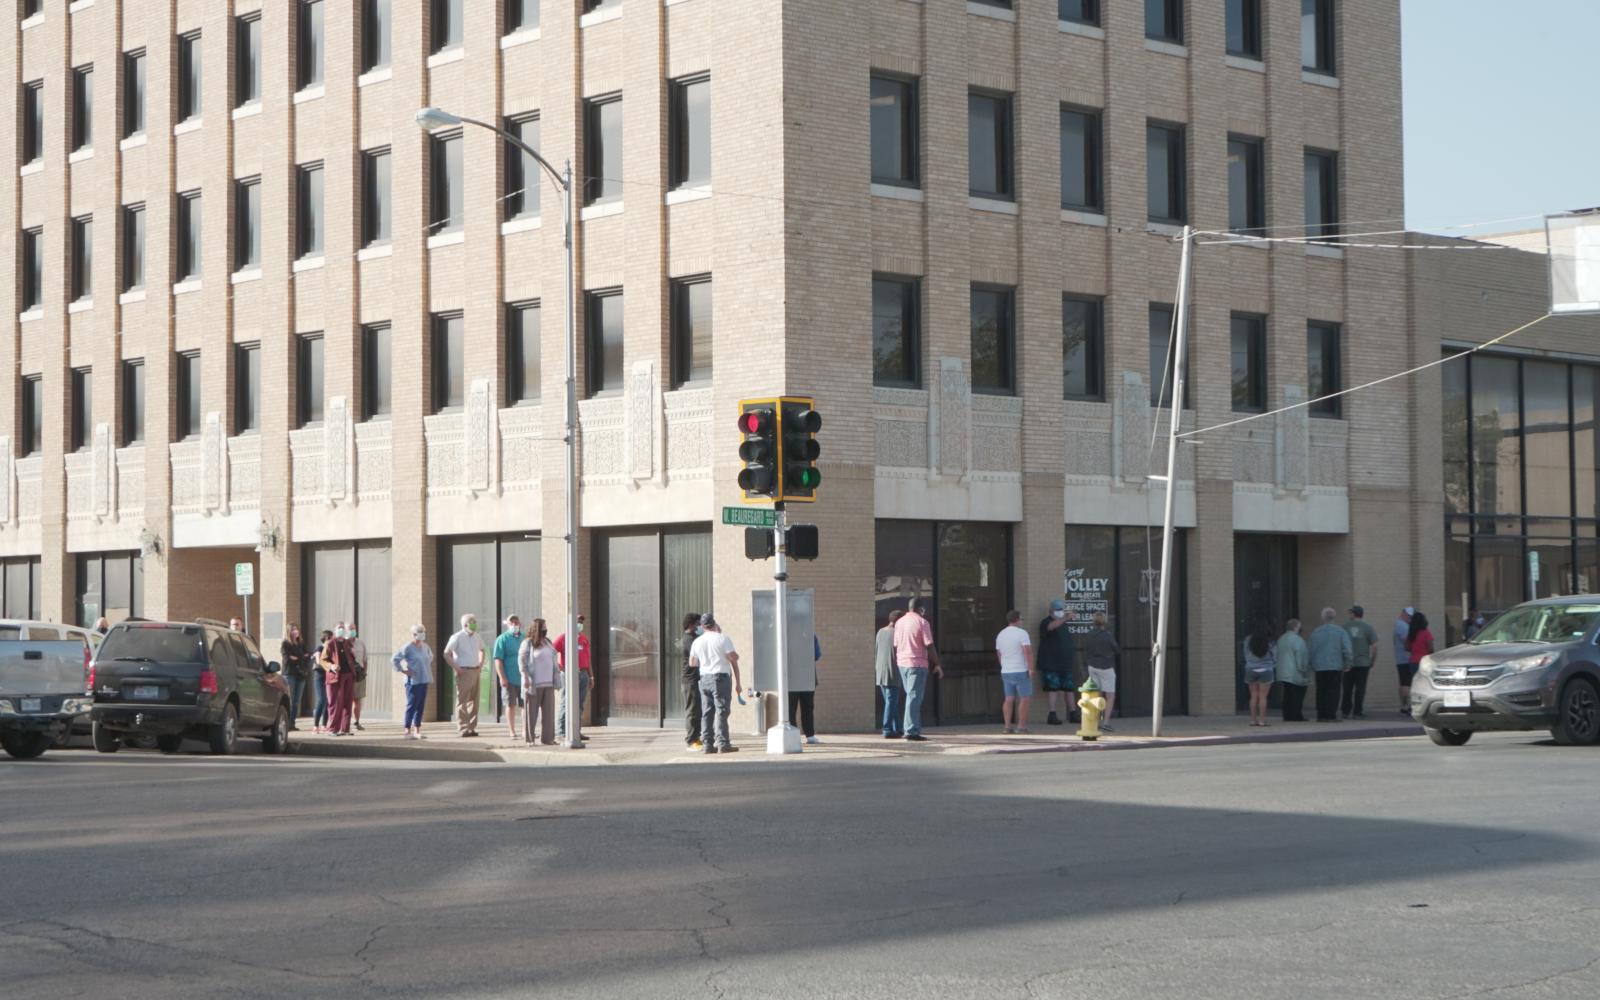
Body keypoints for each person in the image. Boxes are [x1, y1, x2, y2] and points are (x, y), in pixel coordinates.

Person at [688, 613, 743, 754]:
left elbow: (692, 663)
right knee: (722, 711)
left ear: (702, 626)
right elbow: (733, 658)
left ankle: (707, 744)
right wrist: (733, 656)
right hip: (720, 678)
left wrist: (706, 660)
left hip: (704, 678)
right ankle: (723, 744)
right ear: (714, 624)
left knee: (707, 712)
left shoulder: (697, 642)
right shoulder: (723, 638)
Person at [893, 600, 942, 742]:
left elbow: (896, 644)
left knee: (910, 695)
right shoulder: (922, 622)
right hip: (917, 663)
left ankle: (911, 727)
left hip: (902, 663)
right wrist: (937, 664)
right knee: (914, 697)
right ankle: (911, 730)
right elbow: (929, 645)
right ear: (921, 609)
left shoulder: (899, 623)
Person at [1308, 607, 1353, 722]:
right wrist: (1348, 662)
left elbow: (1311, 649)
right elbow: (1347, 649)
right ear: (1334, 617)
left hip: (1319, 666)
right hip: (1335, 665)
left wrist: (1311, 663)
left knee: (1321, 690)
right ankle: (1330, 714)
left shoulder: (1316, 632)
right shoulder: (1340, 631)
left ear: (1322, 618)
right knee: (1333, 690)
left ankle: (1321, 714)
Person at [443, 613, 485, 737]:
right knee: (462, 701)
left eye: (475, 621)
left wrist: (481, 663)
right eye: (472, 621)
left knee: (474, 700)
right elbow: (446, 654)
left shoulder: (477, 636)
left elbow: (482, 649)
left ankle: (471, 728)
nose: (475, 623)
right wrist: (457, 668)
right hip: (464, 671)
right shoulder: (457, 637)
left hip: (475, 670)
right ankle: (462, 728)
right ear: (465, 624)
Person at [1037, 600, 1077, 726]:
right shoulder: (1046, 622)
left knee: (1069, 688)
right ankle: (1052, 714)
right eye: (1058, 609)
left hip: (1065, 662)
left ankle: (1073, 713)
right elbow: (1051, 627)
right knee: (1052, 688)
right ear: (1051, 611)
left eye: (1062, 609)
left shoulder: (1064, 624)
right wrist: (1065, 618)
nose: (1060, 612)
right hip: (1051, 662)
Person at [519, 618, 559, 745]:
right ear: (537, 628)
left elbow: (553, 659)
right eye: (543, 626)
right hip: (533, 684)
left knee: (548, 714)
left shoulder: (547, 642)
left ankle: (548, 739)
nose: (545, 629)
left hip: (548, 683)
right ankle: (530, 739)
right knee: (531, 713)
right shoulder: (528, 643)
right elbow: (522, 662)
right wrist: (525, 677)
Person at [995, 610, 1034, 734]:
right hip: (1020, 669)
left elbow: (999, 653)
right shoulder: (1022, 633)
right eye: (1021, 619)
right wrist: (1031, 668)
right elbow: (1027, 651)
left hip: (1006, 671)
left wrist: (1004, 666)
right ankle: (1021, 726)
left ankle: (1007, 726)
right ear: (1017, 620)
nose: (1022, 622)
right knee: (1025, 698)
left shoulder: (1001, 634)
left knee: (1009, 698)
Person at [554, 614, 592, 742]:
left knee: (579, 704)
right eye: (577, 621)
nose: (579, 623)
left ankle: (576, 731)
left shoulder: (584, 639)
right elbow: (551, 652)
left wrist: (591, 676)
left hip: (583, 674)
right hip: (569, 674)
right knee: (566, 702)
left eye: (581, 621)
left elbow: (588, 660)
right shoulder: (563, 638)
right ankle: (561, 731)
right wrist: (561, 667)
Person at [392, 625, 434, 740]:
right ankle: (407, 730)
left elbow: (430, 657)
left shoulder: (425, 646)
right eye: (419, 632)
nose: (422, 633)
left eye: (423, 631)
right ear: (413, 634)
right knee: (412, 705)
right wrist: (404, 670)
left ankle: (417, 730)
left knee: (420, 705)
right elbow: (394, 659)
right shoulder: (407, 647)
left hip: (424, 679)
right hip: (413, 681)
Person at [1081, 612, 1120, 730]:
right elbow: (1116, 649)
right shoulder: (1107, 635)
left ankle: (1094, 720)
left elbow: (1085, 649)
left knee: (1096, 694)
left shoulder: (1089, 635)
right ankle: (1106, 722)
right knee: (1110, 696)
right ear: (1105, 622)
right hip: (1106, 667)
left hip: (1092, 666)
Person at [1341, 605, 1379, 719]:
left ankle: (1345, 711)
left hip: (1348, 663)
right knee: (1360, 688)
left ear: (1354, 614)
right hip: (1363, 663)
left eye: (1350, 613)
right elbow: (1375, 646)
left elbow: (1340, 645)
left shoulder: (1344, 627)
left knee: (1347, 688)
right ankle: (1358, 711)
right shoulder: (1368, 628)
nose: (1349, 615)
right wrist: (1372, 660)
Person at [492, 615, 525, 741]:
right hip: (509, 678)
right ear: (507, 624)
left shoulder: (523, 638)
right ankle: (512, 731)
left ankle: (524, 730)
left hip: (523, 678)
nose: (515, 624)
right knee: (510, 705)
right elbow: (498, 660)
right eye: (512, 622)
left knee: (524, 705)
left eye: (516, 622)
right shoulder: (502, 639)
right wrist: (502, 677)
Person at [874, 611, 904, 739]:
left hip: (880, 671)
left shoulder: (881, 632)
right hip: (893, 671)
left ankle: (898, 727)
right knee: (891, 702)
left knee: (891, 702)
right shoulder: (897, 633)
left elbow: (876, 650)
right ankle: (887, 729)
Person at [324, 624, 358, 736]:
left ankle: (345, 729)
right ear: (335, 630)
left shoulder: (347, 643)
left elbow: (351, 658)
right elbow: (322, 660)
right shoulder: (330, 643)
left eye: (343, 628)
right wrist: (331, 666)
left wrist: (353, 654)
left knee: (347, 702)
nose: (341, 629)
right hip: (336, 677)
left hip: (348, 675)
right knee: (336, 703)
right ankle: (332, 729)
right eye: (339, 627)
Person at [1243, 622, 1277, 727]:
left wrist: (1250, 663)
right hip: (1266, 669)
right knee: (1263, 697)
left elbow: (1245, 653)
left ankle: (1253, 720)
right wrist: (1273, 664)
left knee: (1253, 696)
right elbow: (1275, 656)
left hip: (1251, 669)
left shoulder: (1248, 640)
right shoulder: (1270, 642)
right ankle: (1262, 721)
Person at [1276, 619, 1310, 722]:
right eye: (1300, 626)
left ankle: (1287, 715)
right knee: (1297, 695)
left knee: (1287, 695)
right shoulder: (1298, 640)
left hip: (1283, 672)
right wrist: (1304, 669)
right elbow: (1301, 657)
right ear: (1296, 627)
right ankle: (1296, 716)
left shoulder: (1281, 639)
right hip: (1295, 672)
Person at [789, 635, 820, 745]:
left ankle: (793, 735)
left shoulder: (787, 636)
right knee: (808, 708)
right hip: (808, 676)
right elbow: (817, 655)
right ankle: (810, 735)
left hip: (791, 678)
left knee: (791, 709)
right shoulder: (811, 636)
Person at [280, 624, 311, 729]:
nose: (296, 631)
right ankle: (286, 723)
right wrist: (301, 657)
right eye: (293, 629)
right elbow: (288, 658)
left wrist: (298, 658)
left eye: (297, 629)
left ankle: (292, 723)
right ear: (289, 631)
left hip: (300, 674)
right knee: (289, 699)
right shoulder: (285, 644)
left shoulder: (301, 643)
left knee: (297, 701)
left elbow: (308, 656)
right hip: (289, 674)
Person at [680, 612, 703, 749]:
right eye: (697, 624)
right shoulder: (688, 640)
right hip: (689, 680)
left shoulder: (695, 638)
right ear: (690, 624)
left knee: (697, 710)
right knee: (692, 710)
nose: (699, 626)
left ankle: (697, 737)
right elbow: (698, 656)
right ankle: (691, 740)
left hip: (695, 679)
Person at [1406, 612, 1436, 715]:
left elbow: (1406, 647)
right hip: (1424, 662)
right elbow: (1431, 648)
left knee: (1414, 684)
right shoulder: (1426, 633)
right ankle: (1424, 706)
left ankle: (1412, 705)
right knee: (1426, 685)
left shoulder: (1411, 633)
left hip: (1413, 661)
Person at [1394, 606, 1416, 717]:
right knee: (1407, 683)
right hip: (1405, 659)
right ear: (1403, 613)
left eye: (1411, 616)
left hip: (1401, 659)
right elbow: (1406, 641)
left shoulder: (1401, 625)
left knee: (1404, 683)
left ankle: (1404, 706)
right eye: (1408, 615)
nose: (1409, 618)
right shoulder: (1402, 626)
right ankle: (1407, 706)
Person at [347, 622, 368, 731]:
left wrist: (364, 673)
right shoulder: (343, 643)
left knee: (357, 699)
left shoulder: (361, 643)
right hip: (347, 675)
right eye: (350, 629)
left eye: (354, 629)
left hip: (359, 675)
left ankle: (357, 722)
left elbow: (365, 660)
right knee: (347, 699)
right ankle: (345, 722)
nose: (352, 631)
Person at [312, 628, 333, 733]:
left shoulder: (331, 650)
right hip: (319, 677)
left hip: (328, 677)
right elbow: (318, 661)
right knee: (321, 700)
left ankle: (324, 724)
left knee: (328, 701)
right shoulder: (319, 648)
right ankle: (315, 725)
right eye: (331, 638)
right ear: (327, 638)